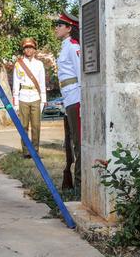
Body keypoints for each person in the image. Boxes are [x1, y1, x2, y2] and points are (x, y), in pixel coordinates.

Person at [54, 12, 81, 190]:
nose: (56, 28)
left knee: (78, 142)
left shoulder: (72, 46)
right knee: (69, 141)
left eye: (60, 24)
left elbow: (80, 74)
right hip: (68, 97)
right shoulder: (64, 46)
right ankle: (72, 181)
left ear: (69, 28)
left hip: (76, 97)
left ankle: (79, 184)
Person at [12, 37, 47, 156]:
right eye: (26, 48)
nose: (28, 50)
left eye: (30, 47)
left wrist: (44, 100)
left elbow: (42, 82)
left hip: (36, 97)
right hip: (23, 97)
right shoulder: (18, 64)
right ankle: (26, 151)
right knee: (24, 126)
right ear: (23, 50)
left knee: (36, 126)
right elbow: (16, 83)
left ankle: (35, 150)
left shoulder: (39, 64)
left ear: (34, 49)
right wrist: (15, 102)